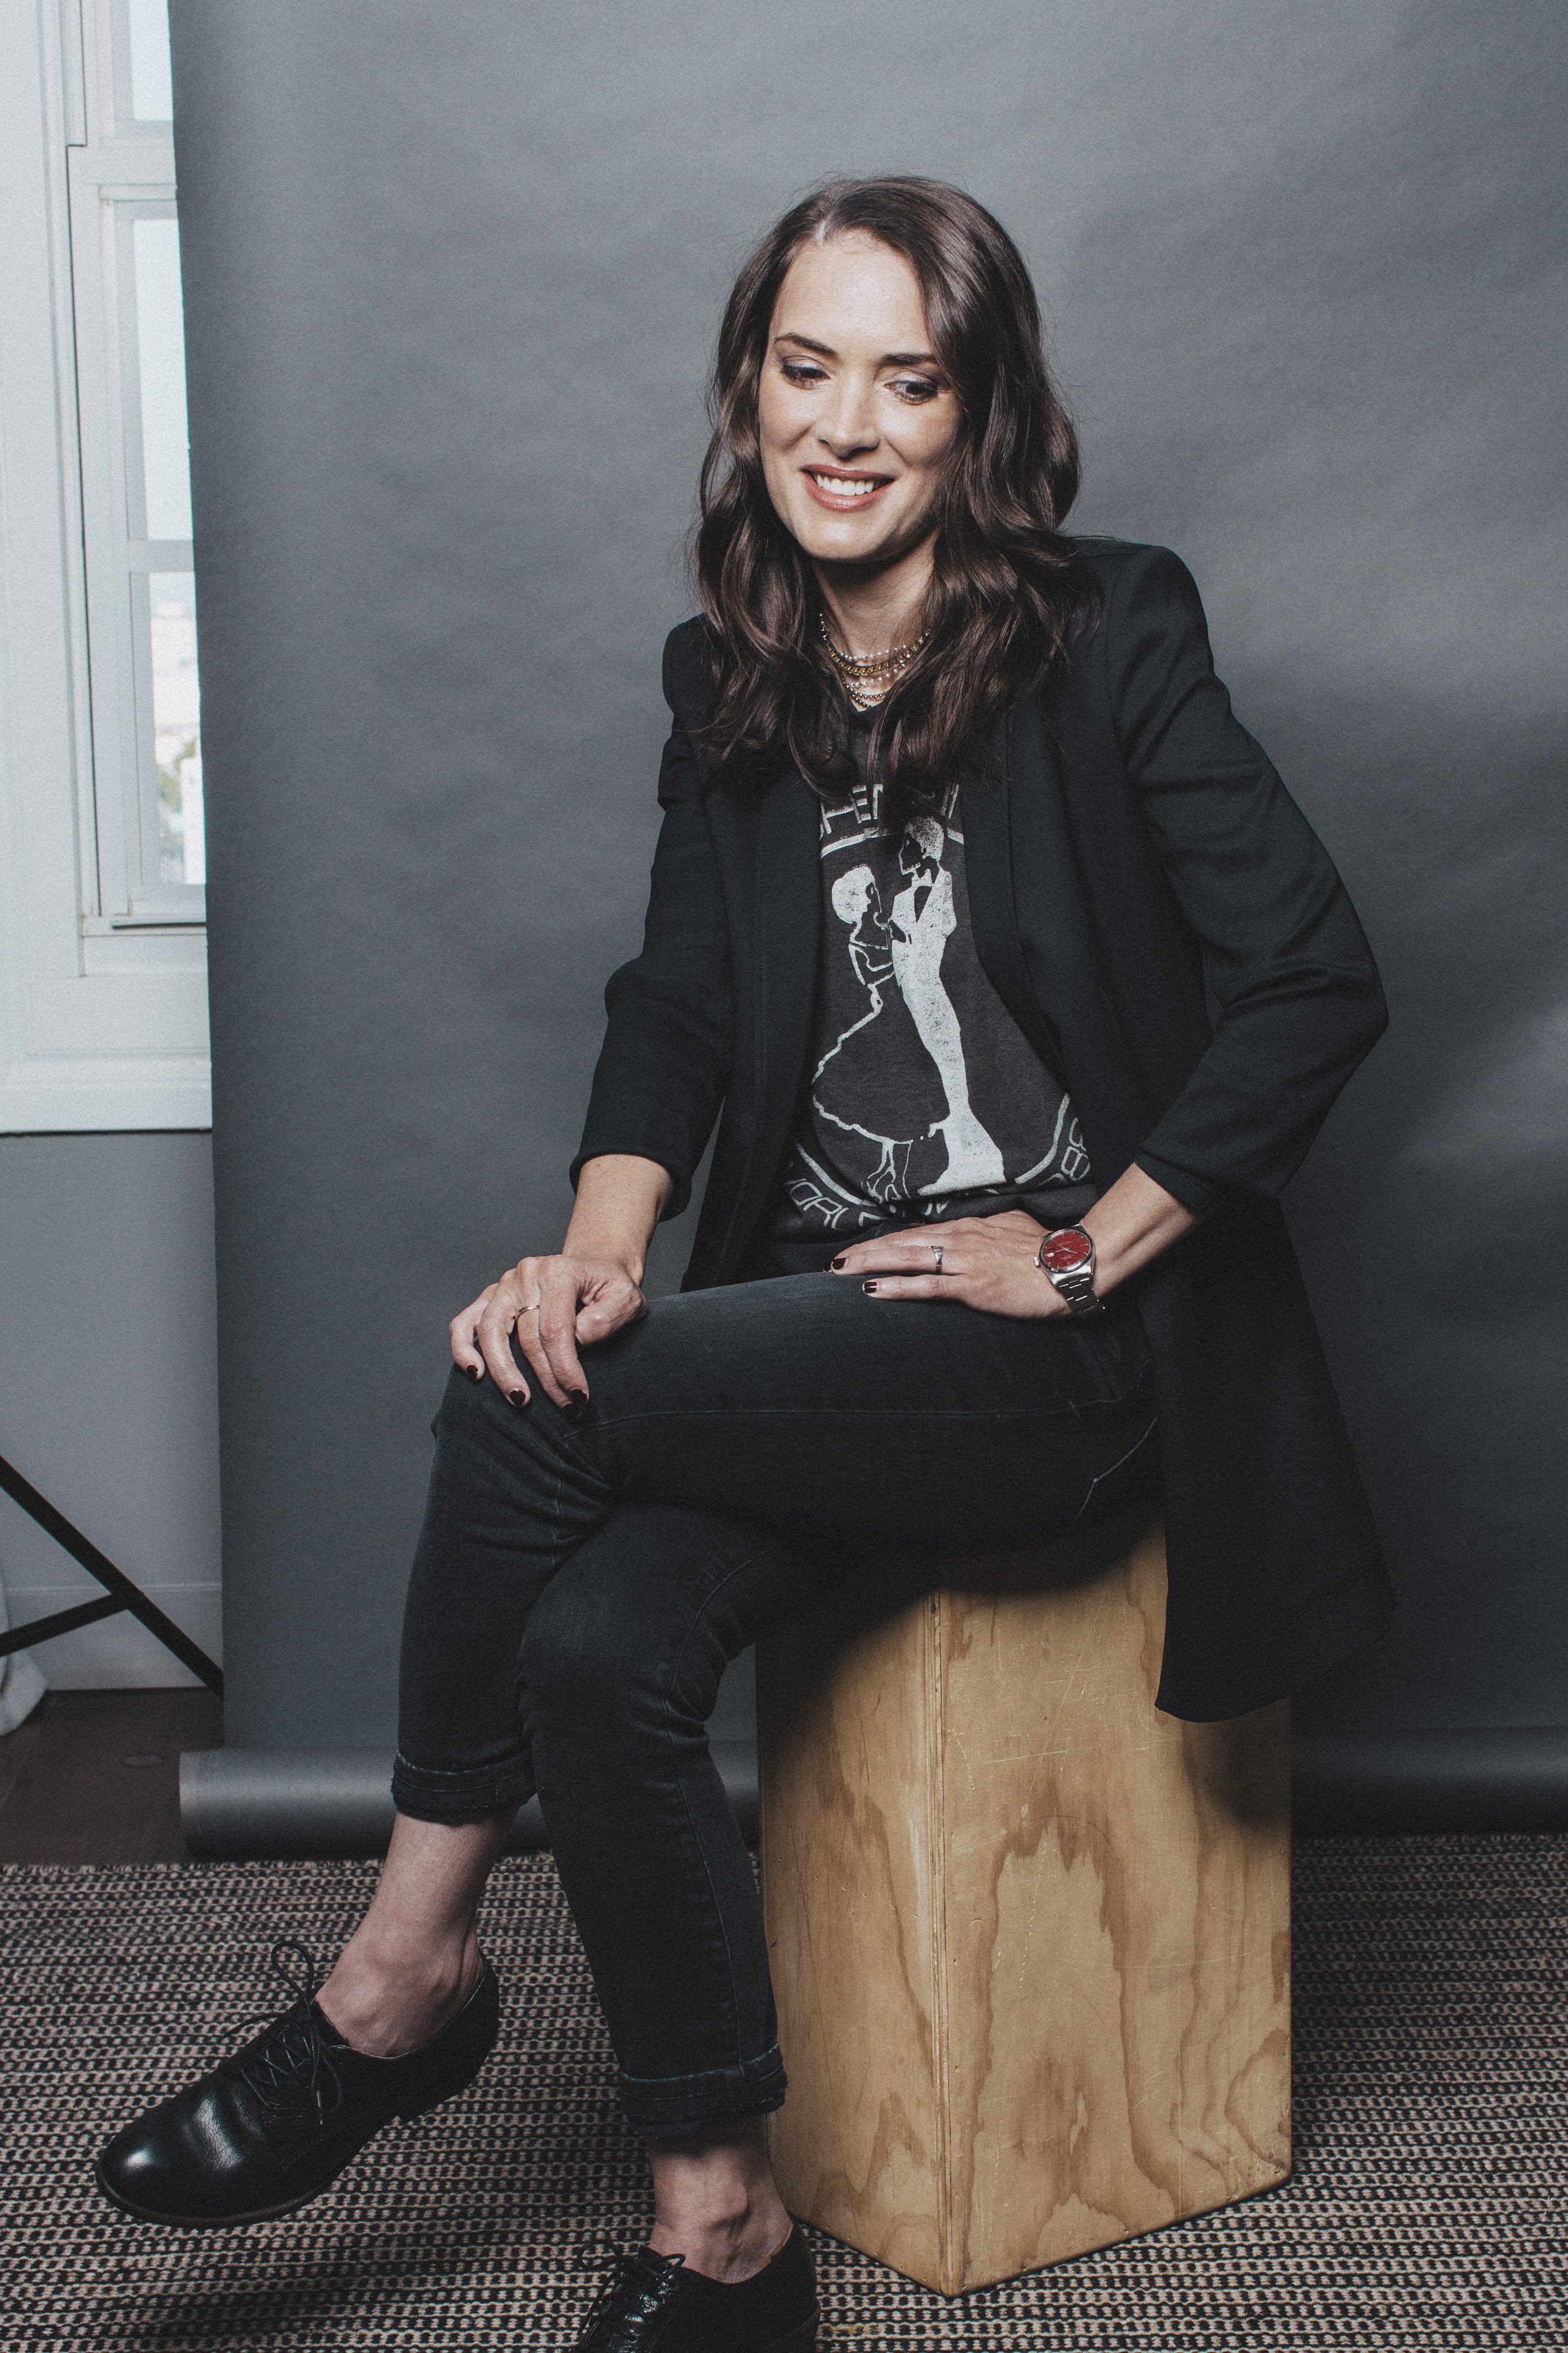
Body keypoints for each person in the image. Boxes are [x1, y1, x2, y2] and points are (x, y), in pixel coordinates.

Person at [96, 176, 1391, 2352]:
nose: (845, 426)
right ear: (747, 384)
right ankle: (725, 2236)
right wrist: (597, 1253)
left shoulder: (1113, 632)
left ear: (979, 412)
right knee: (595, 1634)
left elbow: (1315, 982)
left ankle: (399, 1980)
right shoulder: (733, 673)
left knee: (518, 1414)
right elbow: (680, 1003)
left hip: (1067, 1359)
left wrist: (1084, 1253)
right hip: (826, 1328)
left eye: (907, 380)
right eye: (806, 368)